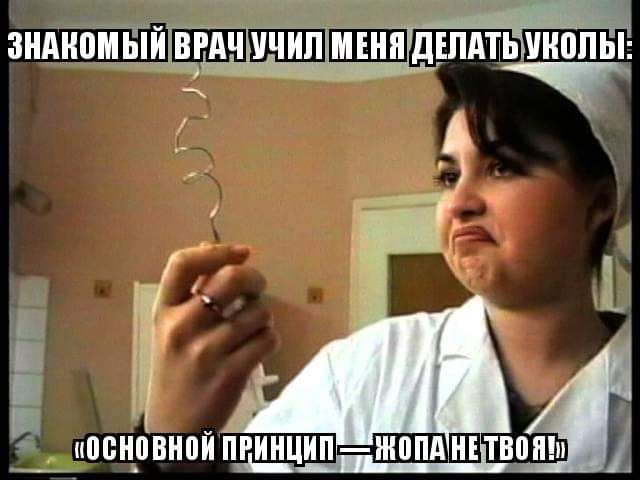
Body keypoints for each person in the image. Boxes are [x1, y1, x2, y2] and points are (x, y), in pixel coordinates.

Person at [137, 61, 631, 473]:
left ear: (600, 204)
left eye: (501, 167)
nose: (459, 203)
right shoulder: (363, 372)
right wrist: (171, 450)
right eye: (449, 176)